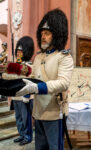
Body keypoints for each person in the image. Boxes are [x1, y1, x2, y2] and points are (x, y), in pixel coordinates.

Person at [14, 9, 74, 150]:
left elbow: (63, 83)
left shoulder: (64, 57)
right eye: (41, 33)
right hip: (38, 111)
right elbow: (33, 78)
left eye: (47, 33)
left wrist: (37, 88)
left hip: (54, 112)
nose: (43, 37)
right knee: (40, 147)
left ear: (56, 34)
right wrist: (25, 91)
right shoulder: (39, 57)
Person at [8, 36, 34, 145]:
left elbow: (29, 82)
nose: (18, 53)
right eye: (17, 51)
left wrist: (27, 97)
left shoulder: (29, 66)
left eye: (21, 51)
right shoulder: (16, 65)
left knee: (25, 118)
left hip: (24, 97)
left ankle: (28, 136)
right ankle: (22, 134)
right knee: (18, 118)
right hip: (16, 97)